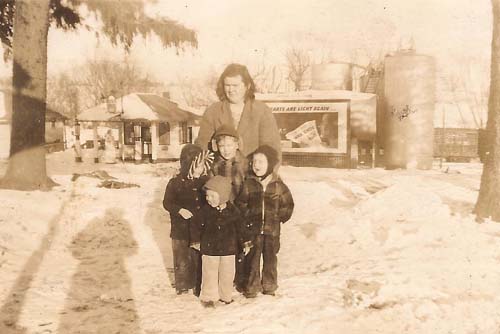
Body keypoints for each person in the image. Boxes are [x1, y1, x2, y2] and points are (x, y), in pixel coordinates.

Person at [235, 145, 294, 298]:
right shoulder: (248, 184)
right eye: (254, 162)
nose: (257, 165)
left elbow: (288, 205)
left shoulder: (278, 185)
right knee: (252, 259)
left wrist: (279, 217)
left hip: (271, 231)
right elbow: (240, 204)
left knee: (270, 259)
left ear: (270, 164)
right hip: (253, 230)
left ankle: (269, 285)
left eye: (261, 162)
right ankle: (251, 287)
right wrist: (247, 216)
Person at [195, 63, 282, 159]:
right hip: (220, 172)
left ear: (247, 86)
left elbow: (272, 150)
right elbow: (203, 147)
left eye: (235, 85)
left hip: (253, 171)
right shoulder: (212, 112)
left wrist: (263, 171)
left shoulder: (262, 111)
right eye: (227, 85)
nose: (231, 90)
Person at [190, 176, 252, 308]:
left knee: (227, 274)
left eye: (213, 196)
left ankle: (225, 296)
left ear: (223, 196)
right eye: (207, 196)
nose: (208, 199)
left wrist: (246, 242)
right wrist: (195, 240)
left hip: (229, 249)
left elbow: (241, 228)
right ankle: (208, 297)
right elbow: (195, 226)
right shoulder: (205, 211)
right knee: (209, 274)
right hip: (209, 249)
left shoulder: (233, 211)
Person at [162, 144, 209, 296]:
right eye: (197, 166)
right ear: (188, 165)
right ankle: (182, 285)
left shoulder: (204, 182)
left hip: (198, 228)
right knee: (181, 258)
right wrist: (179, 210)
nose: (200, 169)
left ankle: (197, 283)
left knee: (197, 257)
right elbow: (167, 203)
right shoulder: (175, 183)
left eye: (202, 166)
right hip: (180, 230)